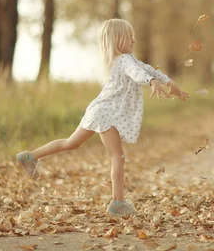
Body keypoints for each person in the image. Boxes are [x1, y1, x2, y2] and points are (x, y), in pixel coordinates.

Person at [16, 19, 189, 218]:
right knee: (118, 156)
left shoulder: (125, 59)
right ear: (116, 40)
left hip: (99, 111)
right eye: (128, 36)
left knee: (70, 143)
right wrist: (151, 82)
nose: (133, 40)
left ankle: (30, 156)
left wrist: (168, 82)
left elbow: (147, 68)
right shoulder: (124, 61)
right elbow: (139, 73)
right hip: (106, 114)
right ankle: (118, 203)